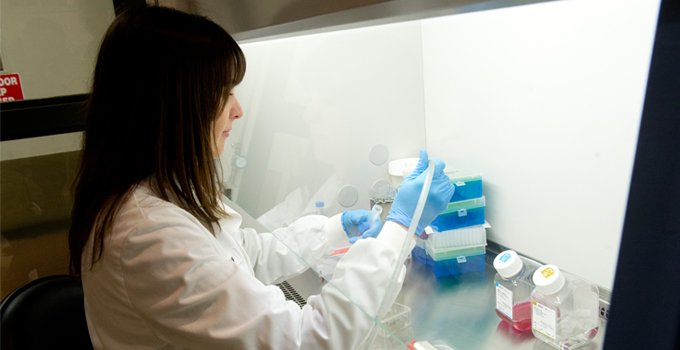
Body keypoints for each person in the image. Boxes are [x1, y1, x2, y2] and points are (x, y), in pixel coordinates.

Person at [68, 5, 454, 350]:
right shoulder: (149, 236)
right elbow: (307, 340)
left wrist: (335, 229)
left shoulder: (159, 193)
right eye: (223, 92)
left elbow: (242, 254)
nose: (237, 110)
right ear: (174, 106)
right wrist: (400, 227)